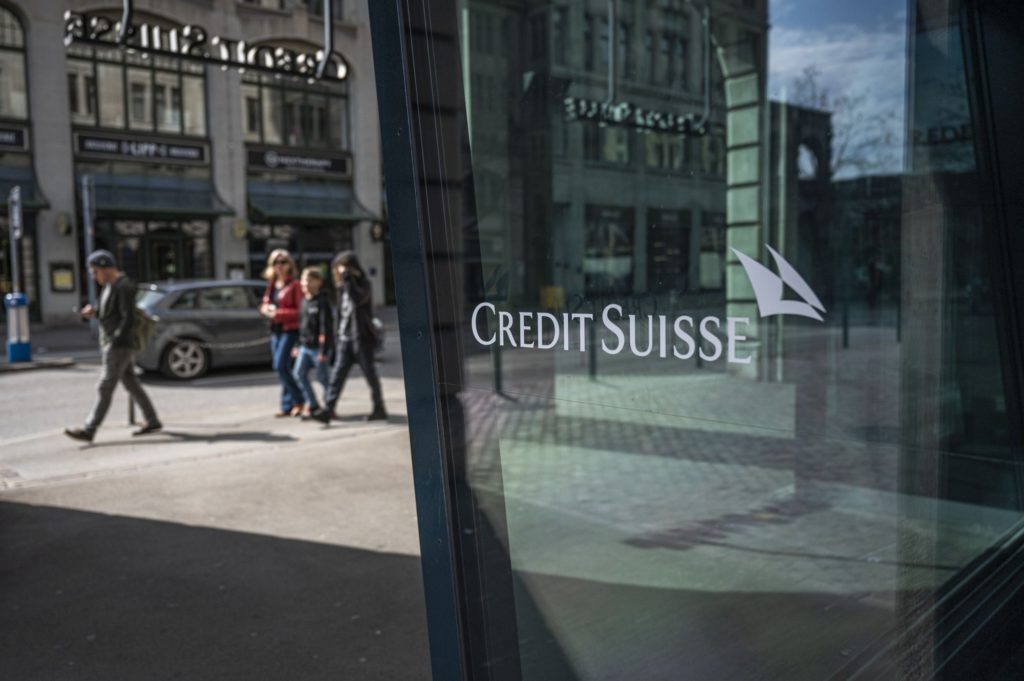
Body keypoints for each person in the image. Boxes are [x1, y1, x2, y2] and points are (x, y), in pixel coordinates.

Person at [64, 250, 161, 443]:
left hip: (119, 345)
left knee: (105, 386)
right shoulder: (110, 286)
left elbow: (128, 318)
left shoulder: (123, 286)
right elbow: (111, 313)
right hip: (115, 342)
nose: (94, 276)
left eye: (95, 272)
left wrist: (115, 340)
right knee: (132, 384)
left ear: (106, 268)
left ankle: (89, 429)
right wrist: (95, 312)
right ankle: (153, 420)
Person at [314, 251, 387, 423]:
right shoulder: (342, 287)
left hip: (361, 339)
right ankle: (328, 410)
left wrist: (348, 280)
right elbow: (340, 314)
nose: (341, 272)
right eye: (340, 269)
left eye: (344, 268)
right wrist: (337, 337)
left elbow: (358, 299)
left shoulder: (363, 284)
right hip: (344, 339)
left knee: (370, 375)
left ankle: (379, 409)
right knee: (337, 376)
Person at [259, 248, 305, 417]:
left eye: (283, 262)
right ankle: (287, 406)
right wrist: (265, 308)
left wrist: (277, 314)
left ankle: (299, 400)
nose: (279, 265)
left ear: (290, 264)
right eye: (275, 262)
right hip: (276, 330)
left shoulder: (295, 285)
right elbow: (265, 303)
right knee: (283, 368)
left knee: (280, 365)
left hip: (290, 330)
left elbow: (300, 311)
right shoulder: (272, 284)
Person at [291, 266, 334, 419]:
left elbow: (325, 328)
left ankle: (329, 407)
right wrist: (297, 345)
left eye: (309, 280)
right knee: (298, 374)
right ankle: (313, 404)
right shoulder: (304, 302)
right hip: (304, 347)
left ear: (318, 282)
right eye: (303, 280)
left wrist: (324, 350)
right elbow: (301, 327)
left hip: (318, 348)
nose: (305, 283)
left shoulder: (322, 301)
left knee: (323, 378)